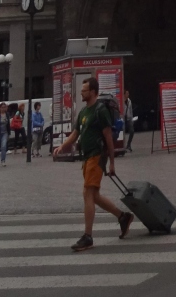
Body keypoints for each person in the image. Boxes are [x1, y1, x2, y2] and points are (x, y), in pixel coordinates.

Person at [54, 76, 134, 252]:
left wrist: (112, 163)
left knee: (87, 194)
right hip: (87, 158)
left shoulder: (100, 111)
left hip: (97, 157)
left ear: (92, 92)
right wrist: (62, 146)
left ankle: (88, 236)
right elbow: (75, 133)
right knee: (94, 195)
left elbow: (108, 138)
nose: (81, 93)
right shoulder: (84, 112)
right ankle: (123, 217)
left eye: (84, 90)